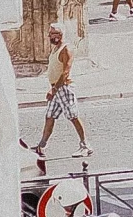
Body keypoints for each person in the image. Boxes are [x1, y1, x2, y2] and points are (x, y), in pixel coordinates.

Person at [22, 24, 88, 174]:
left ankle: (85, 145)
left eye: (52, 34)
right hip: (56, 89)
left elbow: (65, 72)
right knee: (50, 116)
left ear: (59, 34)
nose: (49, 37)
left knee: (73, 116)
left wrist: (54, 89)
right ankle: (42, 145)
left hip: (63, 88)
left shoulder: (66, 49)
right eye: (49, 34)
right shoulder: (55, 48)